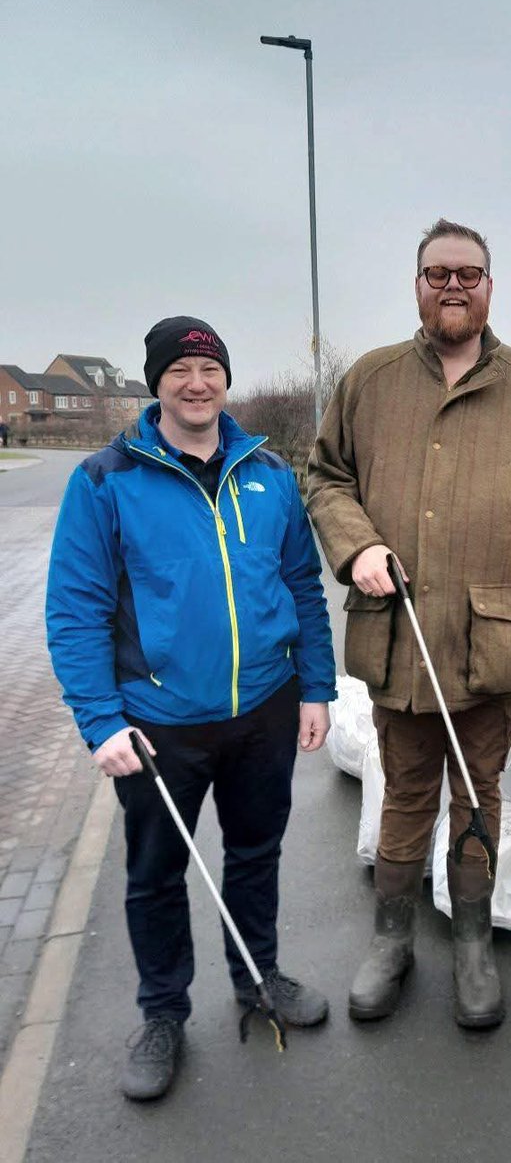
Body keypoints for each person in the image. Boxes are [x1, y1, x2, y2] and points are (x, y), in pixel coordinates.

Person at [47, 316, 337, 1100]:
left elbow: (303, 588)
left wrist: (316, 687)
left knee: (255, 855)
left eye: (209, 369)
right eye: (179, 370)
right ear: (157, 383)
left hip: (263, 710)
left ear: (226, 381)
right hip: (157, 724)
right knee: (155, 874)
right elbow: (75, 610)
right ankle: (162, 1014)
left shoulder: (269, 474)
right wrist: (100, 722)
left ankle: (257, 977)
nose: (196, 383)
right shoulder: (106, 480)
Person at [307, 218, 511, 1028]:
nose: (452, 286)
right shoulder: (370, 381)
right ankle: (391, 941)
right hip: (398, 641)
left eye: (468, 273)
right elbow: (325, 479)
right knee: (404, 795)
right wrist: (356, 545)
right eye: (437, 273)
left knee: (478, 795)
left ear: (489, 286)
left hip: (491, 642)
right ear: (417, 285)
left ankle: (471, 943)